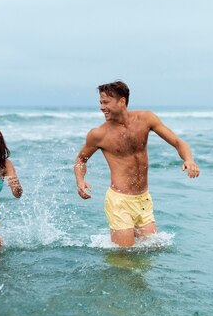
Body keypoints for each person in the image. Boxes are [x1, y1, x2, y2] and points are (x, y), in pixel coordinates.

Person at [74, 81, 200, 247]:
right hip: (119, 201)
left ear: (122, 101)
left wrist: (188, 159)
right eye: (100, 102)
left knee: (151, 252)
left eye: (106, 102)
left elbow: (178, 142)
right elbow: (81, 160)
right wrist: (80, 180)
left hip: (143, 200)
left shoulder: (145, 119)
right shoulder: (99, 134)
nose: (101, 107)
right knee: (124, 259)